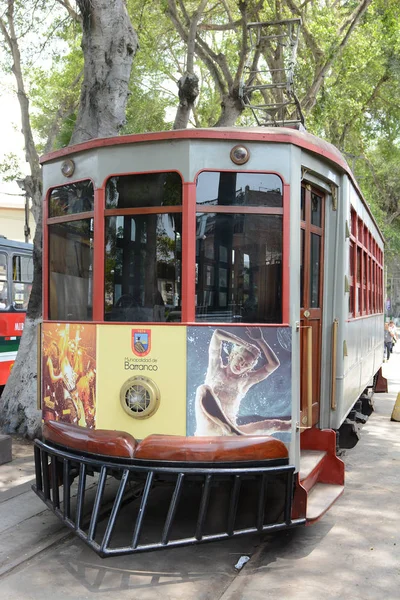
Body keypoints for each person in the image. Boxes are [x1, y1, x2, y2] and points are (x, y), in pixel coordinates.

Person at [195, 327, 290, 436]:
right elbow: (217, 334)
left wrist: (260, 340)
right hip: (207, 428)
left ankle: (301, 424)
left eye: (246, 365)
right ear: (232, 355)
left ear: (248, 369)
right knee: (203, 389)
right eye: (240, 359)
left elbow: (274, 364)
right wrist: (246, 345)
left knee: (276, 425)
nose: (241, 365)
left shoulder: (246, 380)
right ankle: (230, 429)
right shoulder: (215, 367)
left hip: (230, 431)